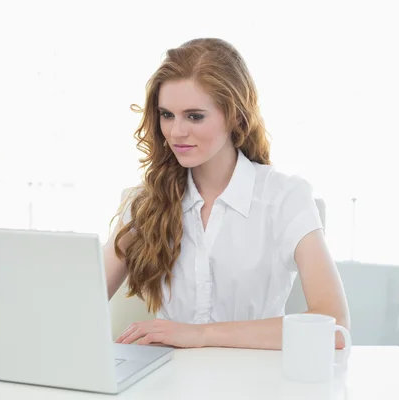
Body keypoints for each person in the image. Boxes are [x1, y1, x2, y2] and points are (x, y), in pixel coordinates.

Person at [103, 38, 350, 350]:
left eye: (194, 116)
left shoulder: (285, 197)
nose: (176, 131)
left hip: (257, 382)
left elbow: (335, 326)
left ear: (234, 116)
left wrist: (199, 335)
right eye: (167, 114)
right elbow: (83, 303)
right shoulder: (147, 201)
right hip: (166, 381)